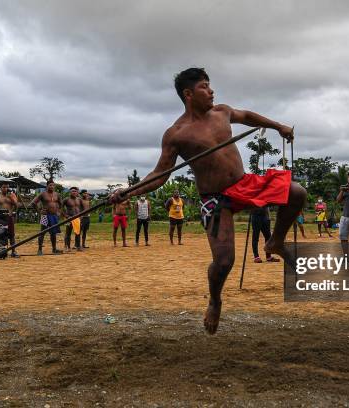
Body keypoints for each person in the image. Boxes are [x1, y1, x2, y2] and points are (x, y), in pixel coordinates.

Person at [111, 67, 303, 334]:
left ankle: (275, 241)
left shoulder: (222, 112)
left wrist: (278, 126)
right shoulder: (176, 133)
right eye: (204, 86)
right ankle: (215, 300)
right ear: (188, 94)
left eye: (210, 85)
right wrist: (129, 191)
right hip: (215, 199)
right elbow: (159, 174)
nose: (211, 91)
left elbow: (246, 116)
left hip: (244, 185)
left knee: (297, 192)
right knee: (224, 261)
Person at [31, 179, 63, 255]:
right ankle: (39, 250)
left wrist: (58, 212)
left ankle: (54, 249)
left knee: (53, 233)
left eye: (53, 185)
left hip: (54, 216)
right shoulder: (43, 194)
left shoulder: (57, 194)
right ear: (47, 186)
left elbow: (61, 204)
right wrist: (39, 211)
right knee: (42, 232)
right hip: (45, 216)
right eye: (50, 185)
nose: (52, 187)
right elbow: (33, 203)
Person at [0, 182, 20, 257]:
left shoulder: (12, 195)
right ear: (0, 188)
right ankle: (1, 251)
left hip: (9, 217)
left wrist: (11, 198)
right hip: (0, 218)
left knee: (11, 234)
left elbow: (17, 205)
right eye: (4, 187)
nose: (5, 189)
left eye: (7, 187)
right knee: (0, 234)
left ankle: (13, 251)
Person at [63, 187, 84, 251]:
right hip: (69, 218)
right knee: (68, 233)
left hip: (77, 218)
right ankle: (67, 246)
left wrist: (81, 215)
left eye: (75, 191)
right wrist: (65, 215)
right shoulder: (66, 199)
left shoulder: (79, 200)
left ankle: (78, 246)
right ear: (70, 192)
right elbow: (60, 208)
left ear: (77, 192)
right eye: (72, 191)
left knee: (78, 233)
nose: (74, 192)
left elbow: (83, 208)